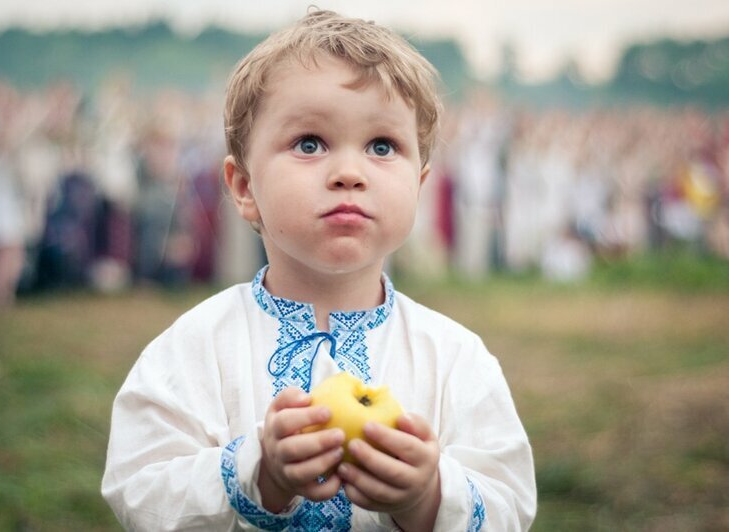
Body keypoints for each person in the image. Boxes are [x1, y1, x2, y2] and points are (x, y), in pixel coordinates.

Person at [102, 9, 536, 531]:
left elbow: (510, 504)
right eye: (310, 143)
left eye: (382, 146)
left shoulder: (455, 358)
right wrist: (258, 473)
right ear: (243, 187)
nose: (350, 173)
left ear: (419, 186)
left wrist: (428, 495)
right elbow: (138, 488)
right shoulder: (197, 346)